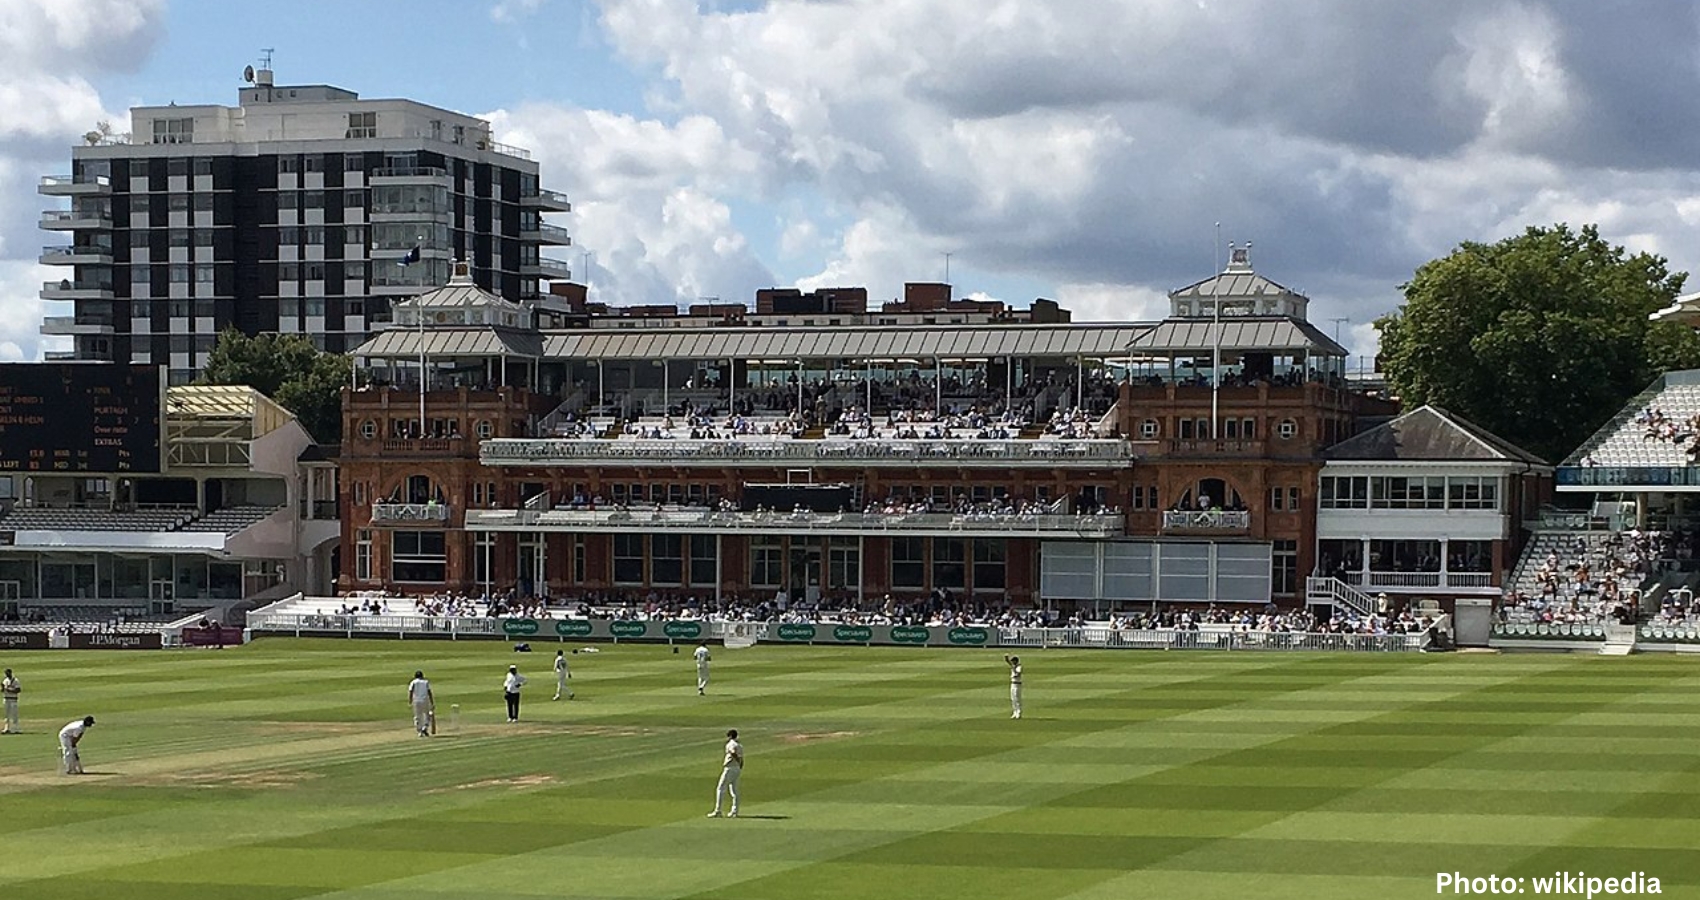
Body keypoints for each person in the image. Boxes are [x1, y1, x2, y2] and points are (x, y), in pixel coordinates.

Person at [707, 728, 742, 818]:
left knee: (720, 788)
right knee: (734, 790)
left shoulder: (731, 744)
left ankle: (718, 811)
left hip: (729, 768)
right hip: (737, 768)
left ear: (730, 736)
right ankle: (735, 811)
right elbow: (741, 758)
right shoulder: (740, 745)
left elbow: (733, 752)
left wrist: (736, 758)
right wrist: (739, 764)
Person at [407, 670, 435, 737]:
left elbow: (410, 691)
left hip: (416, 701)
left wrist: (410, 701)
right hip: (425, 700)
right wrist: (432, 702)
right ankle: (425, 727)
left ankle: (419, 731)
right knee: (427, 715)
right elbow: (429, 692)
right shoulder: (426, 682)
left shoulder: (413, 682)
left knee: (417, 716)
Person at [1004, 655, 1023, 719]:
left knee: (1017, 699)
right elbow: (1010, 664)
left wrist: (1013, 668)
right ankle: (1015, 712)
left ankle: (1018, 712)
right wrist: (1007, 660)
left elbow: (1018, 673)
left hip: (1017, 684)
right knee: (1013, 699)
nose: (1012, 662)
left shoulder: (1019, 666)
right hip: (1012, 684)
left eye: (1013, 661)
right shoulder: (1014, 666)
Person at [1, 668, 19, 734]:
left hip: (13, 699)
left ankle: (15, 729)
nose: (6, 674)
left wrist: (9, 690)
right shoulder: (5, 680)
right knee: (6, 715)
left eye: (7, 673)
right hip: (6, 699)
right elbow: (2, 690)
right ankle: (6, 728)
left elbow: (18, 690)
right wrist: (2, 688)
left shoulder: (15, 680)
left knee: (14, 715)